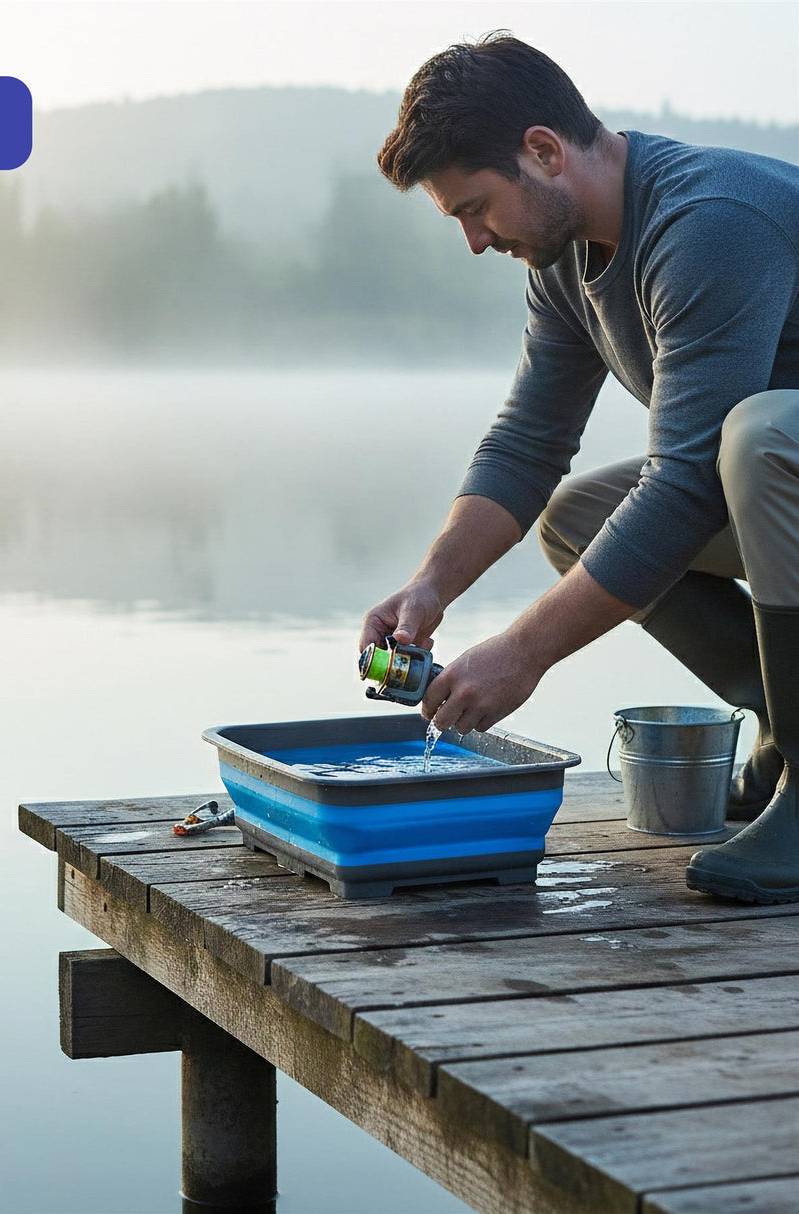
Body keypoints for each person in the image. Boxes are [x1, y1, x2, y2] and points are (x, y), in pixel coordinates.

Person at [359, 32, 799, 904]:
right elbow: (526, 441)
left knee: (754, 440)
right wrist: (430, 586)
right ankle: (789, 734)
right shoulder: (565, 261)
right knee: (578, 515)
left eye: (475, 209)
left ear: (544, 152)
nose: (475, 241)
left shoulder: (707, 221)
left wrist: (524, 653)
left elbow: (683, 487)